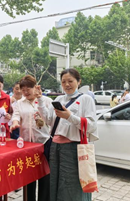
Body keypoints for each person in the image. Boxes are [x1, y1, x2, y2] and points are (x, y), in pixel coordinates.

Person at [37, 68, 98, 201]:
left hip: (73, 148)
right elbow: (49, 121)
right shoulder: (59, 98)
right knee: (55, 182)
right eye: (63, 81)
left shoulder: (86, 99)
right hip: (55, 148)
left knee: (71, 185)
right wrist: (40, 100)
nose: (67, 84)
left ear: (79, 81)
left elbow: (91, 126)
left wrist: (70, 116)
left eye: (70, 81)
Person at [11, 75, 52, 201]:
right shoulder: (19, 103)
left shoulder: (46, 101)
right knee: (29, 177)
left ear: (36, 87)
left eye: (28, 89)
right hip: (27, 145)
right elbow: (15, 116)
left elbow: (51, 120)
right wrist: (15, 123)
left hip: (44, 143)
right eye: (23, 90)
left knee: (45, 176)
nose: (25, 92)